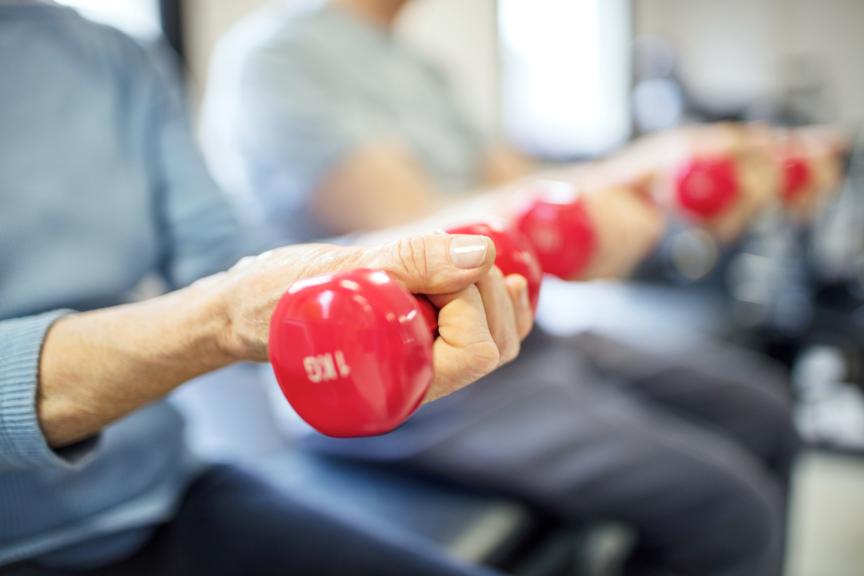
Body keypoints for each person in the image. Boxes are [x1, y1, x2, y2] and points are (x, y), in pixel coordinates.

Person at [202, 1, 811, 574]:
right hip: (399, 386)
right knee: (730, 509)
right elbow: (419, 243)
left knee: (762, 409)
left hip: (509, 333)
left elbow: (527, 189)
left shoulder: (417, 68)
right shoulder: (280, 60)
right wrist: (637, 168)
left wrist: (673, 187)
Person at [0, 3, 534, 575]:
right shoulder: (280, 55)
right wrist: (226, 319)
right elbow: (229, 306)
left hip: (161, 492)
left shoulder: (108, 54)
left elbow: (220, 264)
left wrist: (376, 299)